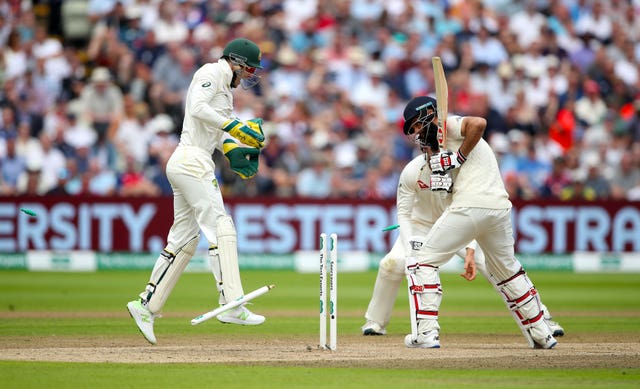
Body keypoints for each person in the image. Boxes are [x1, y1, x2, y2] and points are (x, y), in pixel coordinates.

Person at [361, 122, 564, 342]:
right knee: (390, 265)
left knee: (493, 266)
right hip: (419, 226)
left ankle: (543, 319)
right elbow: (404, 213)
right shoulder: (412, 170)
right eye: (429, 151)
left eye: (435, 150)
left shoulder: (455, 169)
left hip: (454, 224)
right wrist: (410, 246)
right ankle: (375, 322)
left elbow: (466, 211)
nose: (432, 155)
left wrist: (470, 250)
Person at [127, 38, 267, 345]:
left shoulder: (226, 91)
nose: (248, 75)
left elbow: (215, 132)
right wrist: (235, 126)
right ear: (236, 62)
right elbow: (197, 108)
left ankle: (146, 306)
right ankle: (232, 302)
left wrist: (233, 149)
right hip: (191, 159)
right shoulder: (211, 71)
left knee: (185, 241)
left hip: (195, 159)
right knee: (221, 225)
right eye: (248, 68)